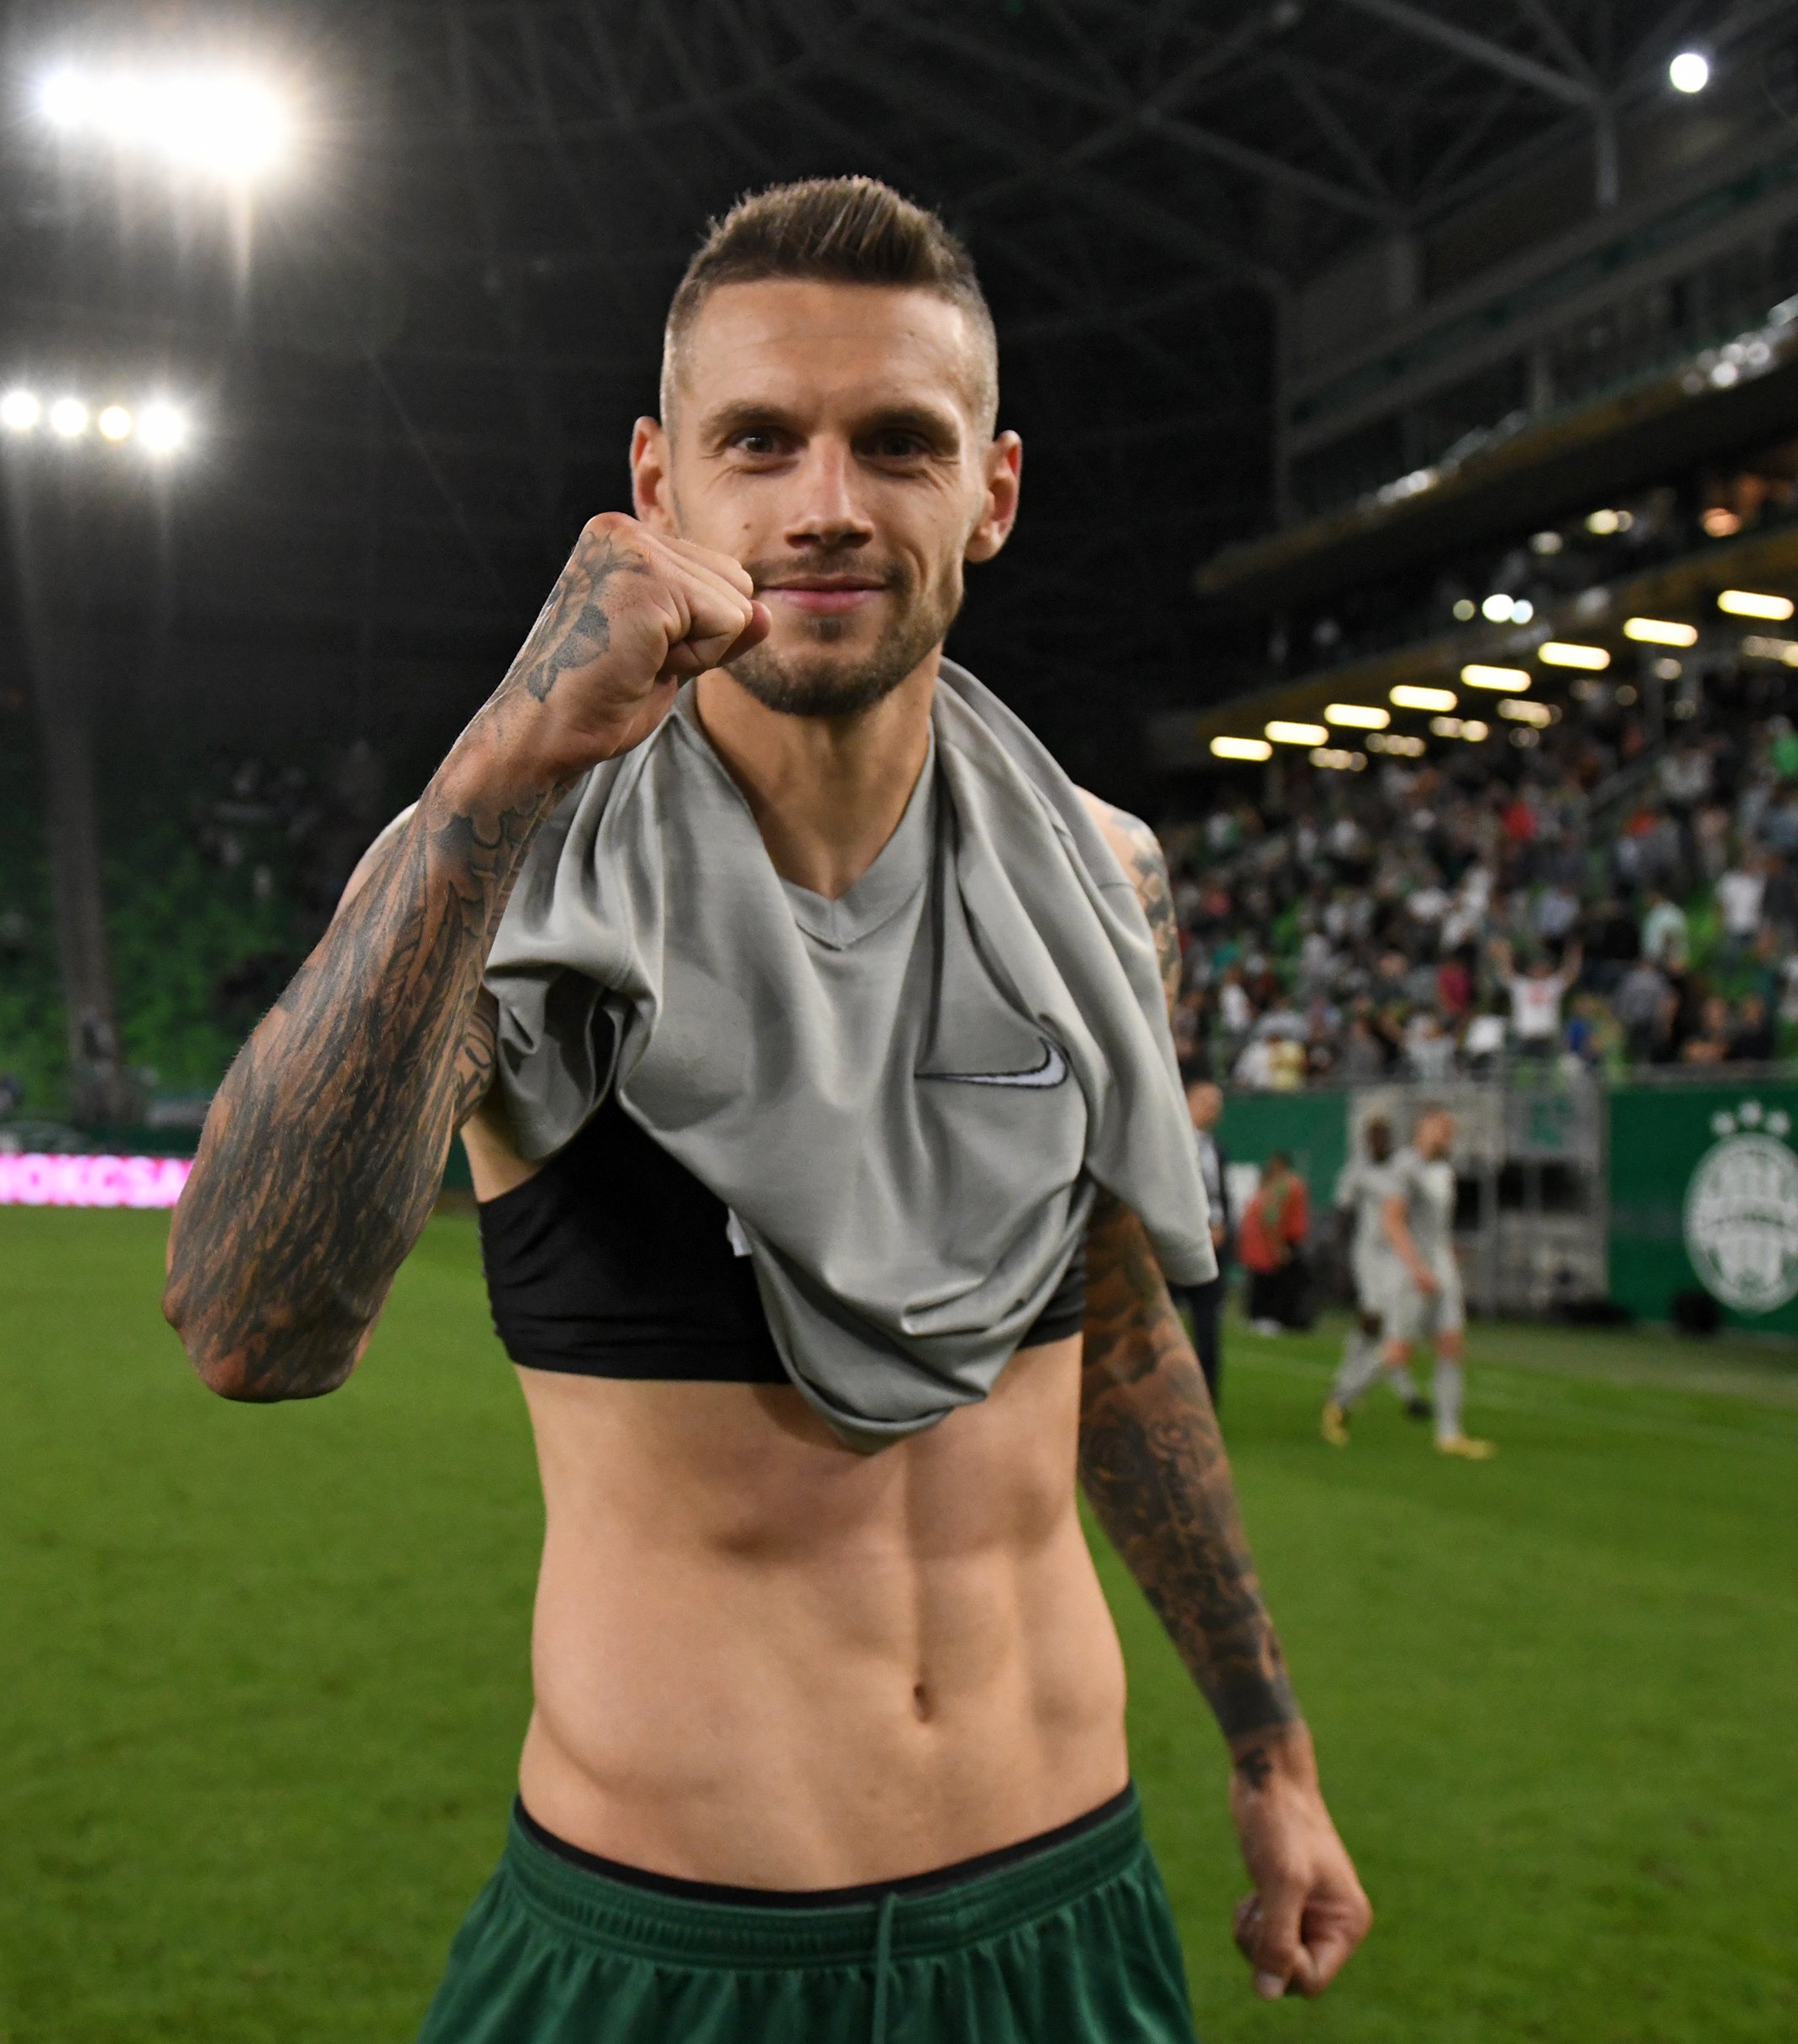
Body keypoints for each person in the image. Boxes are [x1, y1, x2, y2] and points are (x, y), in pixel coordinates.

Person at [162, 179, 1368, 2041]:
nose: (825, 504)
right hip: (670, 1950)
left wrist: (1270, 1747)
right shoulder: (501, 869)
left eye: (897, 443)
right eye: (758, 441)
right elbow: (251, 1331)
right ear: (657, 483)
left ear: (991, 492)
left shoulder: (1105, 874)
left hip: (1065, 1907)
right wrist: (498, 766)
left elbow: (1116, 1331)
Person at [1376, 1106, 1497, 1460]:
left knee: (1451, 1344)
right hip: (1411, 1269)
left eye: (1450, 1128)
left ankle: (1449, 1433)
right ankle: (1343, 1397)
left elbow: (1437, 1225)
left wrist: (1446, 1256)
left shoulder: (1445, 1170)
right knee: (1399, 1352)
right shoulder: (1404, 1167)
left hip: (1442, 1267)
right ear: (1421, 1128)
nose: (1447, 1133)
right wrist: (1416, 1267)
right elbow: (1393, 1222)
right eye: (1440, 1127)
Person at [1321, 1114, 1433, 1446]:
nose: (1378, 1143)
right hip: (1368, 1254)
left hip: (1399, 1253)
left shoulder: (1404, 1167)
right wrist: (1340, 1260)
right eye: (1373, 1138)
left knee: (1395, 1328)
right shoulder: (1357, 1170)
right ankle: (1356, 1391)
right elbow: (1342, 1212)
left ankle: (1359, 1387)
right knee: (1375, 1321)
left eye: (1383, 1137)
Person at [1171, 1071, 1234, 1405]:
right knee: (1164, 1328)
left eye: (1217, 1103)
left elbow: (1221, 1196)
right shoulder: (1171, 1142)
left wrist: (1221, 1227)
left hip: (1212, 1250)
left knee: (1209, 1330)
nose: (1214, 1108)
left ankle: (1206, 1405)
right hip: (1175, 1247)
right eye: (1207, 1101)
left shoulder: (1216, 1149)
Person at [1238, 1150, 1312, 1334]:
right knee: (1271, 1281)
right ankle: (1270, 1317)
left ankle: (1265, 1316)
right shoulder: (1285, 1186)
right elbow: (1272, 1216)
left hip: (1270, 1240)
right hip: (1277, 1240)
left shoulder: (1277, 1186)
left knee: (1267, 1280)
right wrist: (1278, 1246)